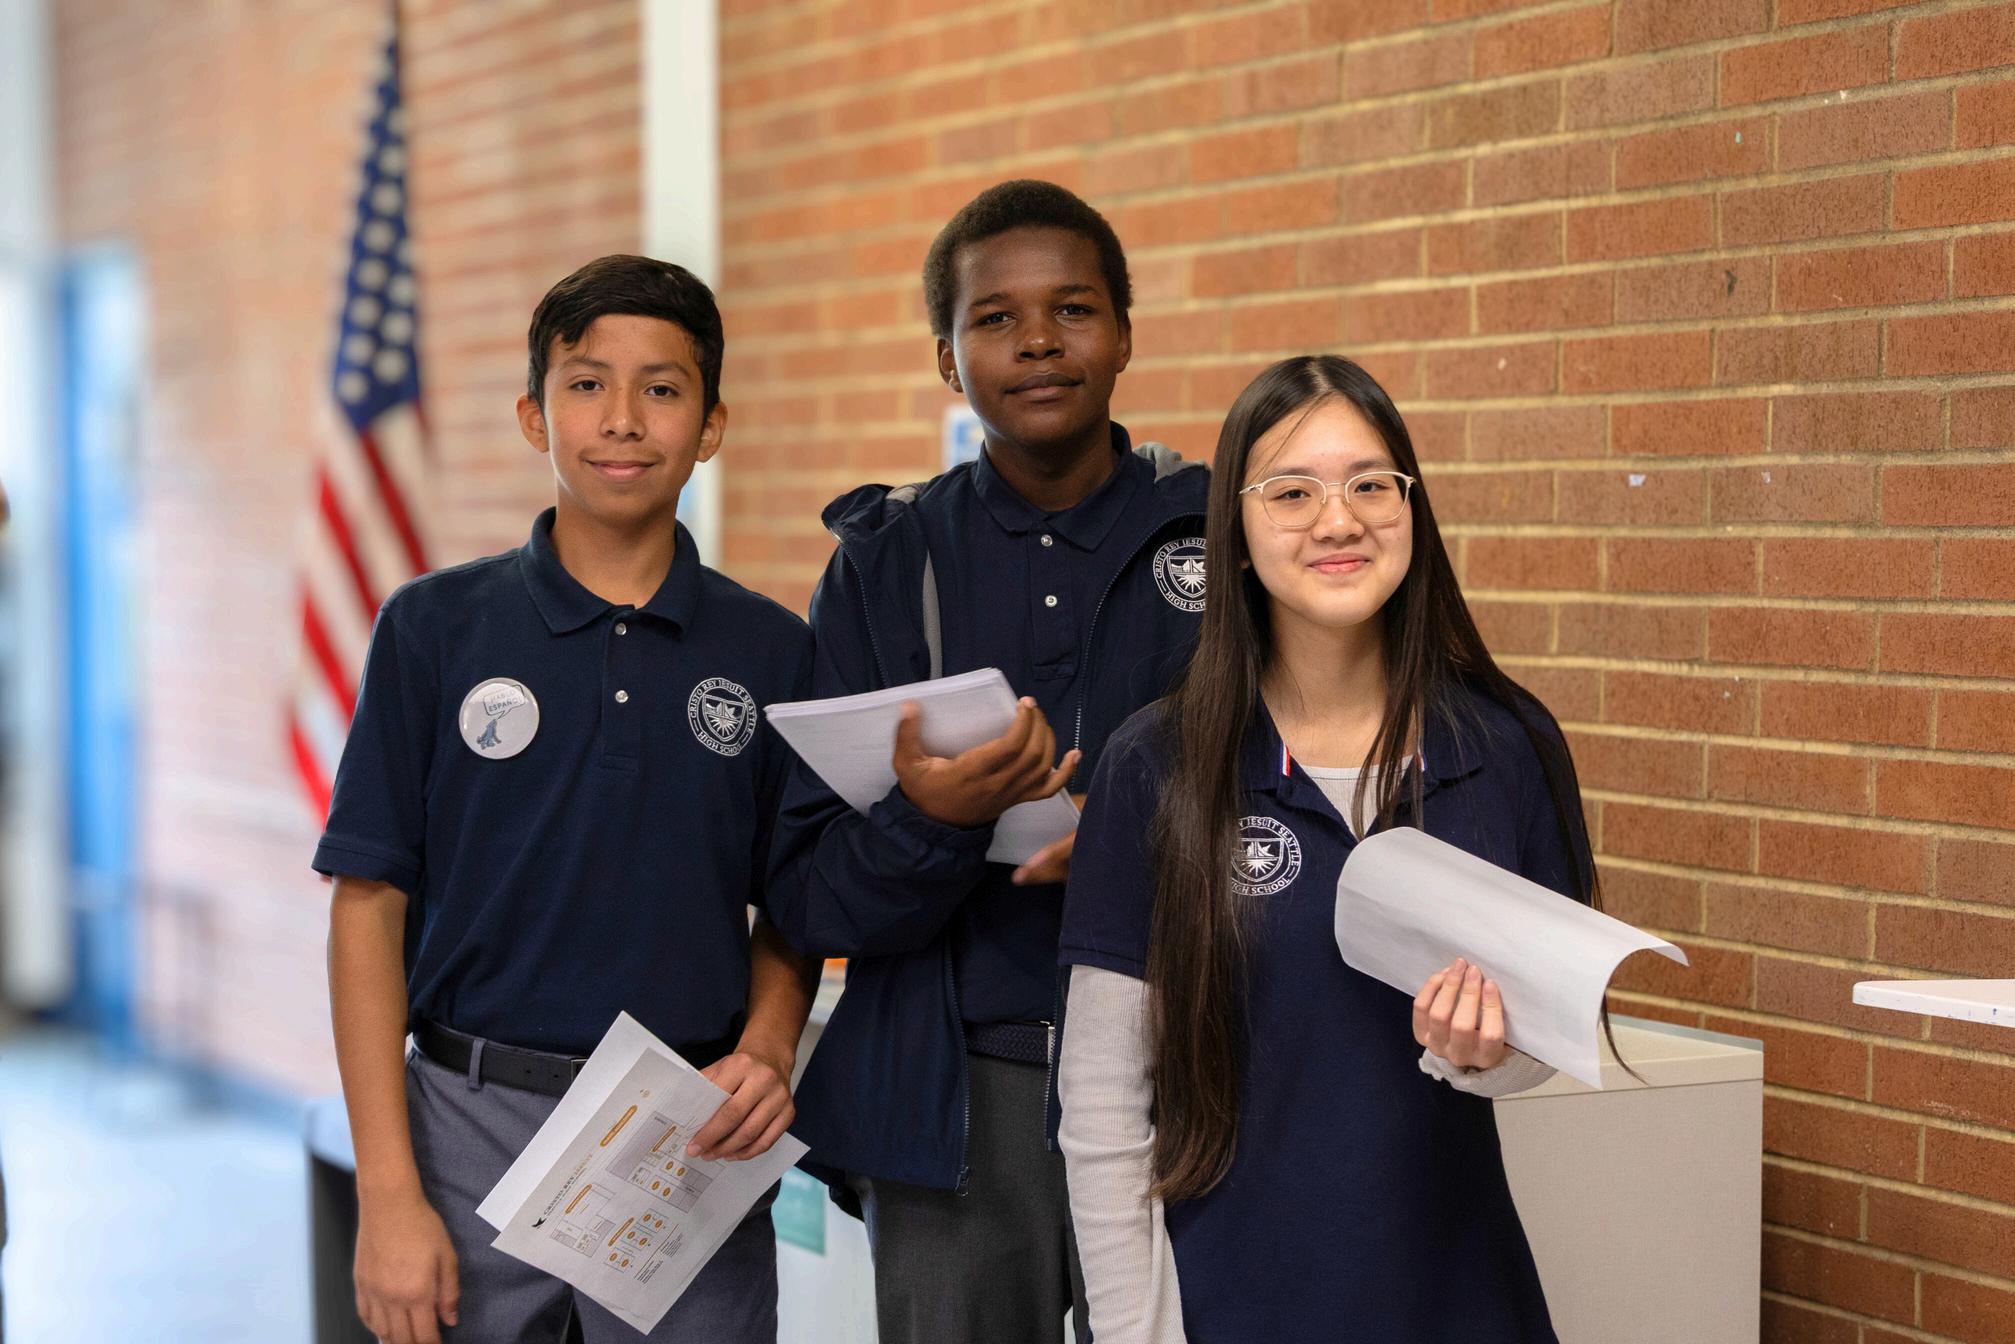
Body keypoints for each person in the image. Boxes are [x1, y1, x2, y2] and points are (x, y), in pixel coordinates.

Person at [316, 255, 819, 1344]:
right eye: (586, 384)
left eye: (662, 388)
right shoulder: (433, 629)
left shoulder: (774, 650)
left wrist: (770, 1047)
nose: (622, 418)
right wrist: (388, 1195)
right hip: (465, 1120)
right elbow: (367, 905)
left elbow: (795, 905)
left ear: (711, 425)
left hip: (683, 1134)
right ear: (534, 417)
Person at [1058, 354, 1590, 1343]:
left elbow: (1543, 1040)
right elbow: (1101, 1108)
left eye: (1369, 486)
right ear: (1235, 535)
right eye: (1291, 492)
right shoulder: (1157, 764)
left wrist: (1481, 1059)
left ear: (1410, 509)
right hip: (1228, 1302)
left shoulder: (1506, 744)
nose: (1337, 521)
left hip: (1454, 1299)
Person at [766, 179, 1209, 1344]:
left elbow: (1297, 809)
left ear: (1124, 333)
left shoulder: (1221, 535)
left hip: (1188, 1076)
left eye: (1072, 309)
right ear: (947, 361)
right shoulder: (883, 561)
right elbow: (808, 893)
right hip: (960, 1093)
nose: (1038, 342)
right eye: (995, 318)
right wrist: (935, 819)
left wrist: (1138, 847)